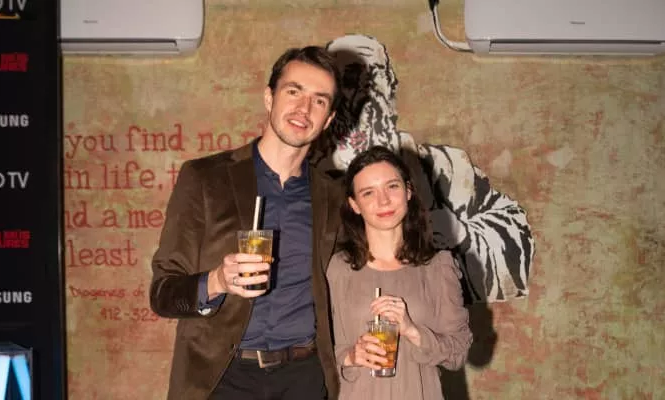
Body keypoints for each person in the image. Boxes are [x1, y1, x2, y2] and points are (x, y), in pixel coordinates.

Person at [149, 46, 345, 400]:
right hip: (223, 378)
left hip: (303, 377)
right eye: (294, 91)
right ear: (269, 98)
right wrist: (217, 281)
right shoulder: (205, 178)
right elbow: (162, 293)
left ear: (328, 119)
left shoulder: (332, 195)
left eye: (319, 100)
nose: (304, 108)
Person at [318, 34, 535, 304]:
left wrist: (461, 232)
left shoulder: (445, 167)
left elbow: (512, 233)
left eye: (376, 77)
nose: (365, 92)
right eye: (351, 79)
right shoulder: (309, 181)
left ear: (391, 88)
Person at [327, 145, 473, 400]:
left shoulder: (439, 266)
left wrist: (412, 330)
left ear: (408, 191)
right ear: (354, 205)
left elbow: (458, 353)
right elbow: (325, 351)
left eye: (392, 186)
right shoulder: (338, 268)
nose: (383, 200)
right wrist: (352, 356)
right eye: (368, 192)